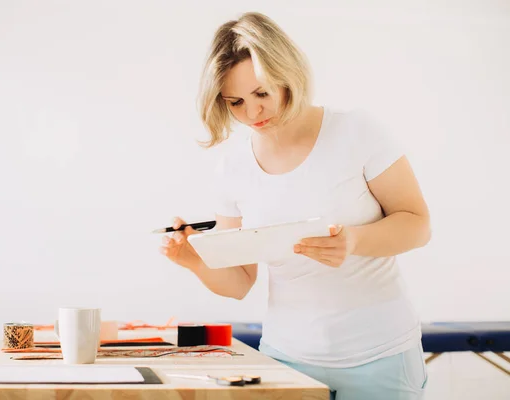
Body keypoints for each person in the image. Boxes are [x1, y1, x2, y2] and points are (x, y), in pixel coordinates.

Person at [159, 11, 431, 400]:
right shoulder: (233, 167)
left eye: (262, 93)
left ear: (289, 76)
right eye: (234, 102)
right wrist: (194, 261)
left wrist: (352, 241)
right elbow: (239, 281)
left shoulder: (357, 131)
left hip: (380, 355)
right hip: (287, 359)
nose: (252, 114)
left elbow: (418, 224)